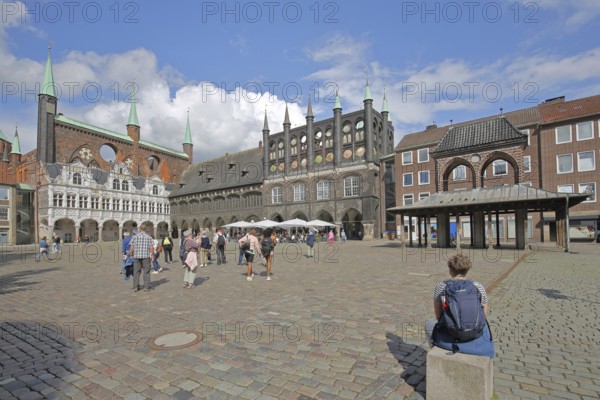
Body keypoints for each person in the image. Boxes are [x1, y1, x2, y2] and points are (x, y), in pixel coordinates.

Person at [424, 254, 494, 358]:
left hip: (449, 337)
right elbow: (483, 314)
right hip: (475, 334)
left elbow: (438, 315)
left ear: (450, 270)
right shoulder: (477, 286)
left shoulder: (441, 286)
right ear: (467, 270)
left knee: (428, 324)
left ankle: (439, 351)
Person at [129, 226, 155, 292]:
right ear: (145, 229)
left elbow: (132, 246)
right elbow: (151, 247)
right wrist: (152, 255)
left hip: (136, 256)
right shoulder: (149, 237)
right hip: (146, 256)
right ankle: (146, 287)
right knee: (146, 272)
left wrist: (131, 253)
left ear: (140, 229)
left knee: (136, 272)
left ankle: (135, 287)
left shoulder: (135, 236)